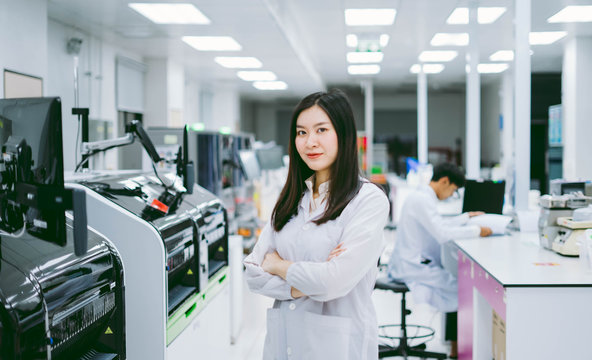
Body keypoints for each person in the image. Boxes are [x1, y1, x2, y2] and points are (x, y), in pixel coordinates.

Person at [244, 89, 390, 360]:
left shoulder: (367, 200)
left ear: (344, 135)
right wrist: (305, 283)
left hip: (336, 347)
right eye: (301, 132)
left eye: (321, 130)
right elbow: (253, 273)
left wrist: (279, 266)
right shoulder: (291, 198)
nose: (310, 142)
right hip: (283, 344)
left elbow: (333, 282)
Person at [387, 163, 492, 358]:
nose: (452, 195)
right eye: (453, 190)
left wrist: (465, 217)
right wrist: (477, 230)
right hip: (413, 267)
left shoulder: (422, 197)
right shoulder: (422, 200)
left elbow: (437, 224)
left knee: (460, 287)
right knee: (464, 290)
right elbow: (442, 233)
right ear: (444, 181)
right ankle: (462, 349)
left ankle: (458, 346)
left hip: (412, 263)